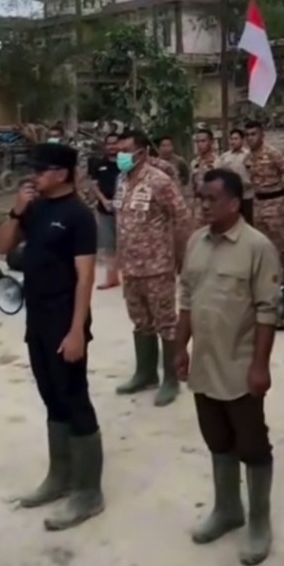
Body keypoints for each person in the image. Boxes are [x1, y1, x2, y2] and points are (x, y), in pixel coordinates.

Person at [0, 142, 104, 532]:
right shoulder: (35, 207)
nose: (34, 176)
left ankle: (89, 493)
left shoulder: (79, 216)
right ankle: (60, 477)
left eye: (41, 170)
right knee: (51, 396)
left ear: (61, 173)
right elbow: (1, 247)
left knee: (74, 397)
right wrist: (16, 211)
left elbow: (85, 278)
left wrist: (76, 331)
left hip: (64, 318)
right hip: (36, 317)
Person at [175, 168, 282, 566]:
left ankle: (259, 521)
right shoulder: (195, 242)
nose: (203, 205)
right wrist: (180, 347)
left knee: (252, 445)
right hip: (205, 364)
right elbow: (187, 299)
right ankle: (227, 509)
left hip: (239, 366)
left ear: (235, 204)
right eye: (200, 198)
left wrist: (260, 367)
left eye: (212, 199)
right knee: (217, 439)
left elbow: (267, 311)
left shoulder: (257, 247)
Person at [114, 130, 192, 408]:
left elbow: (182, 217)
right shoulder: (122, 180)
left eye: (126, 151)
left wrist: (181, 256)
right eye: (119, 151)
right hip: (130, 266)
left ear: (142, 152)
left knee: (166, 323)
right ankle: (145, 373)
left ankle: (171, 379)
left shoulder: (159, 181)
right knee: (140, 321)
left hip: (157, 265)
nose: (121, 156)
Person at [244, 121, 284, 282]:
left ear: (262, 135)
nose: (250, 138)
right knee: (262, 247)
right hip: (258, 205)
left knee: (280, 250)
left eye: (253, 134)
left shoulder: (273, 153)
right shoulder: (247, 158)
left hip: (275, 205)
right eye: (247, 135)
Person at [87, 133, 120, 290]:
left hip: (125, 210)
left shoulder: (126, 164)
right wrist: (104, 201)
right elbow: (94, 184)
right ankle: (111, 278)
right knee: (108, 245)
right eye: (109, 144)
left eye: (115, 143)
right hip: (105, 209)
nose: (112, 147)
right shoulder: (99, 164)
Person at [215, 128, 251, 222]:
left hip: (247, 195)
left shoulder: (249, 155)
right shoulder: (225, 157)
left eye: (236, 139)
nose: (233, 141)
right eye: (231, 139)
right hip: (232, 196)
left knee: (248, 222)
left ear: (242, 140)